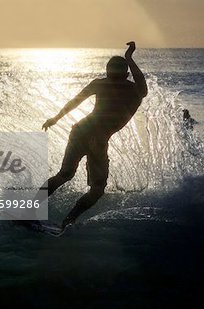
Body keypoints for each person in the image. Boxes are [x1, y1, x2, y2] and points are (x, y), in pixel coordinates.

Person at [41, 41, 148, 229]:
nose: (111, 78)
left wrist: (56, 118)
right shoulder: (134, 90)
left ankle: (66, 220)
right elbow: (76, 101)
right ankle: (64, 219)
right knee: (82, 182)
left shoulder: (121, 87)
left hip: (89, 136)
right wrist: (129, 58)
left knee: (77, 179)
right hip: (88, 135)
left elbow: (75, 101)